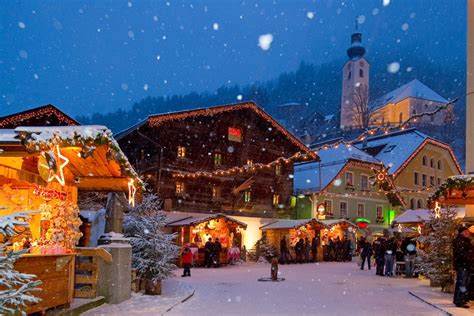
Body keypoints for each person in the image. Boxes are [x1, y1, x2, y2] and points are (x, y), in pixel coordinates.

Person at [452, 227, 472, 308]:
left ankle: (459, 299)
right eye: (465, 232)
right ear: (461, 233)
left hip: (466, 265)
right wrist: (470, 255)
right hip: (462, 265)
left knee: (463, 283)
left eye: (467, 231)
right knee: (462, 283)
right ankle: (460, 300)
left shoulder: (466, 241)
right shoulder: (460, 241)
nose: (467, 233)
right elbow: (461, 254)